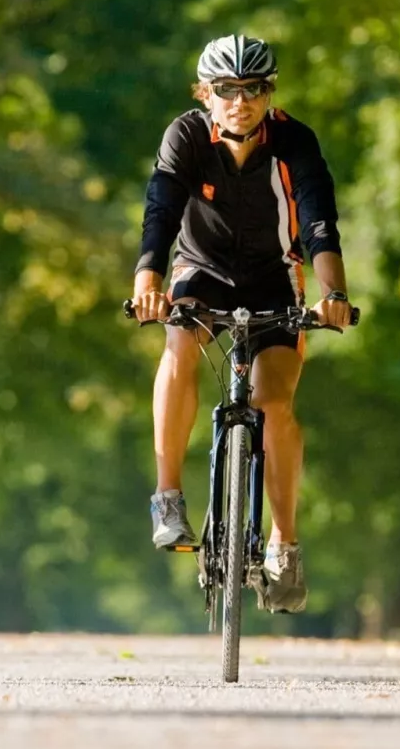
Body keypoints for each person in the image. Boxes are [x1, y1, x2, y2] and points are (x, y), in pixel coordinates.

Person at [130, 34, 352, 613]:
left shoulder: (293, 142)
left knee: (273, 403)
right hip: (199, 270)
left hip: (275, 278)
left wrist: (334, 294)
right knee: (179, 343)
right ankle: (168, 496)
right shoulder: (185, 136)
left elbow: (320, 225)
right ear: (206, 93)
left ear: (268, 93)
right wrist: (146, 283)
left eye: (252, 89)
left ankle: (284, 542)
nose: (240, 100)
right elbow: (160, 212)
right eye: (226, 89)